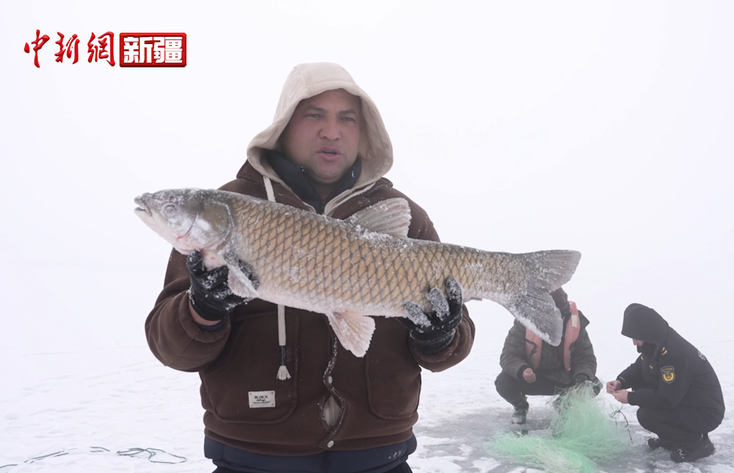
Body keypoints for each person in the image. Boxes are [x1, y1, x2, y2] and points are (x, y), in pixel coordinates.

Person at [144, 62, 476, 473]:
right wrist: (203, 310)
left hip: (379, 458)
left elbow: (451, 350)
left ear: (364, 131)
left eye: (347, 118)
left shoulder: (406, 217)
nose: (331, 131)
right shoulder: (227, 212)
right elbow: (171, 349)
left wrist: (439, 335)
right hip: (253, 459)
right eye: (314, 115)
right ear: (283, 126)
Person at [606, 303, 724, 463]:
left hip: (704, 413)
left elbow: (667, 399)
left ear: (646, 332)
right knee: (644, 393)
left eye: (636, 337)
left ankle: (696, 442)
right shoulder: (655, 343)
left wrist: (631, 397)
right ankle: (673, 439)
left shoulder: (674, 354)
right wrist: (621, 381)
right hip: (687, 402)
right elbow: (640, 367)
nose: (634, 343)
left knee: (646, 415)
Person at [495, 289, 599, 425]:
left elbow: (586, 358)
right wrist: (522, 369)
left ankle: (565, 404)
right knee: (503, 382)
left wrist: (582, 376)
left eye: (560, 316)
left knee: (593, 385)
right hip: (533, 378)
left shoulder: (575, 323)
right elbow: (509, 355)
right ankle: (520, 406)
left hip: (563, 379)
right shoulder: (525, 321)